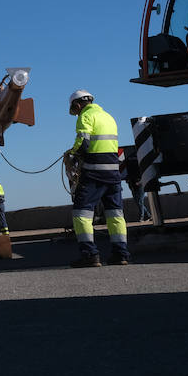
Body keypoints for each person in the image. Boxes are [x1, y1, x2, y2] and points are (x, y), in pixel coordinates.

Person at [64, 89, 130, 267]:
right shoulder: (108, 117)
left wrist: (70, 155)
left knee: (81, 213)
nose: (76, 113)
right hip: (113, 172)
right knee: (115, 214)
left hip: (93, 172)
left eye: (75, 110)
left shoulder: (85, 117)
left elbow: (83, 143)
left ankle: (90, 255)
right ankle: (121, 254)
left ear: (77, 105)